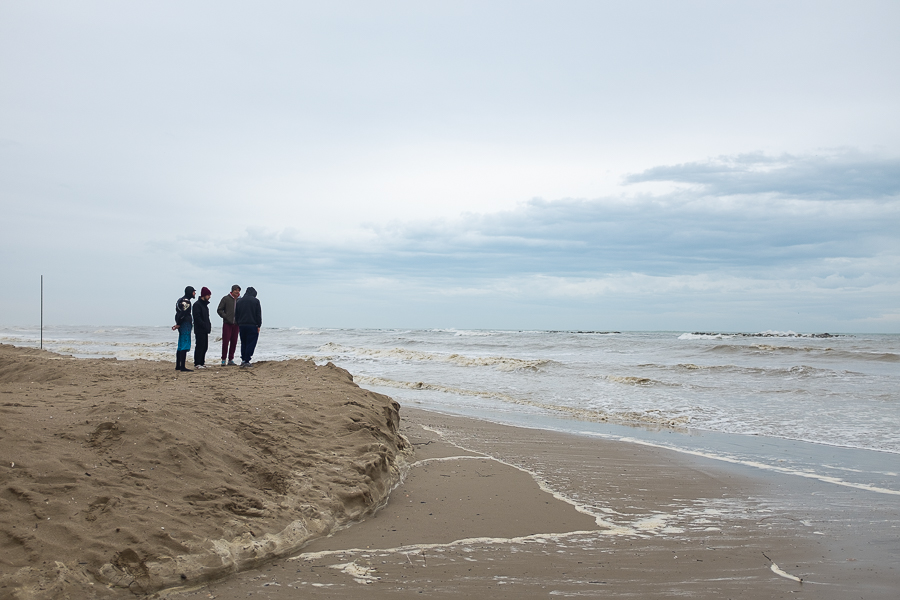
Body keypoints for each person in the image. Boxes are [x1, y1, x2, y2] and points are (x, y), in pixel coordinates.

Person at [234, 286, 262, 368]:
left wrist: (238, 323)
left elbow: (236, 314)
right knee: (251, 343)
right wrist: (258, 325)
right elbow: (258, 314)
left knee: (244, 342)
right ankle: (247, 360)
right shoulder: (256, 301)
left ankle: (243, 360)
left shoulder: (239, 301)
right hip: (252, 325)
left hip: (242, 325)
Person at [172, 286, 196, 372]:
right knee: (185, 344)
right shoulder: (186, 302)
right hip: (185, 324)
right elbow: (183, 314)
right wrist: (178, 323)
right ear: (190, 292)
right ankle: (182, 367)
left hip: (182, 323)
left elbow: (178, 313)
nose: (195, 293)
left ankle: (178, 365)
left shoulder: (180, 300)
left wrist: (177, 323)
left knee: (180, 344)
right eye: (193, 292)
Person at [216, 284, 241, 366]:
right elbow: (219, 310)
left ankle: (231, 359)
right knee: (225, 342)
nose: (237, 292)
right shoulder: (226, 299)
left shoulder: (240, 300)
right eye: (236, 290)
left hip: (236, 324)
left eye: (238, 290)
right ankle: (223, 359)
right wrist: (225, 316)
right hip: (227, 323)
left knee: (234, 342)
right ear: (232, 291)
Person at [192, 287, 212, 369]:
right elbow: (197, 317)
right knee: (199, 346)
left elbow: (207, 317)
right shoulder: (197, 305)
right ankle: (197, 363)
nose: (209, 297)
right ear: (203, 295)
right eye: (208, 295)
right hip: (199, 329)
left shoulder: (205, 305)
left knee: (205, 346)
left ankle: (202, 362)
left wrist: (208, 325)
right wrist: (204, 324)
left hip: (205, 329)